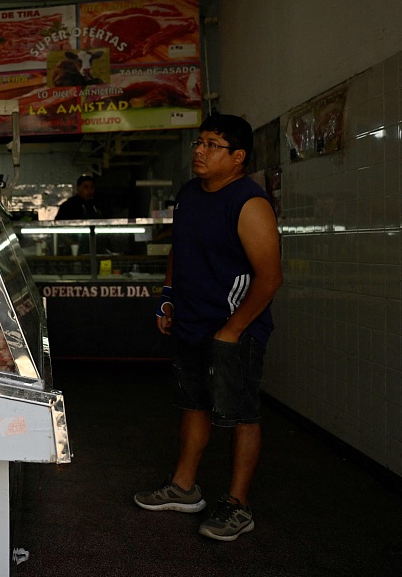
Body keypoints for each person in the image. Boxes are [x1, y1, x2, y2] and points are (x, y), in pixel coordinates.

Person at [134, 114, 282, 542]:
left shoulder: (249, 203)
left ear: (237, 157)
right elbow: (180, 249)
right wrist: (168, 294)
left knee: (241, 415)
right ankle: (183, 487)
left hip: (236, 329)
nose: (199, 150)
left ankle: (238, 505)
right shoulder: (189, 194)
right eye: (199, 141)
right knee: (192, 403)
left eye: (213, 144)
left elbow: (269, 277)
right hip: (191, 322)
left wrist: (233, 330)